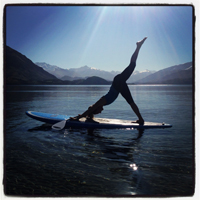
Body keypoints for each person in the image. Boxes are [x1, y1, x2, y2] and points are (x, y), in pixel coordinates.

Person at [70, 37, 147, 125]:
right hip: (119, 86)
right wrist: (87, 116)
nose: (100, 112)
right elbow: (91, 110)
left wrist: (78, 118)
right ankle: (141, 119)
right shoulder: (104, 103)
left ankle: (138, 46)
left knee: (132, 65)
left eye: (98, 111)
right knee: (131, 102)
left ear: (97, 108)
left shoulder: (102, 101)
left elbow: (91, 109)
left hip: (118, 82)